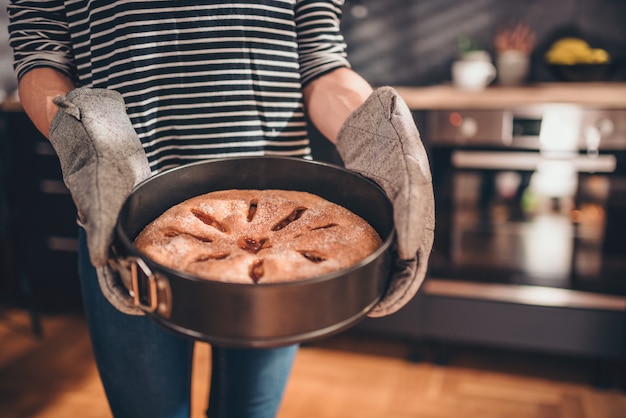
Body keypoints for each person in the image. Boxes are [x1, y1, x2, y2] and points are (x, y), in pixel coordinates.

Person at [8, 1, 434, 417]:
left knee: (252, 410)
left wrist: (378, 137)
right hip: (120, 211)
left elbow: (322, 62)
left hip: (286, 228)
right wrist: (85, 140)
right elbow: (41, 57)